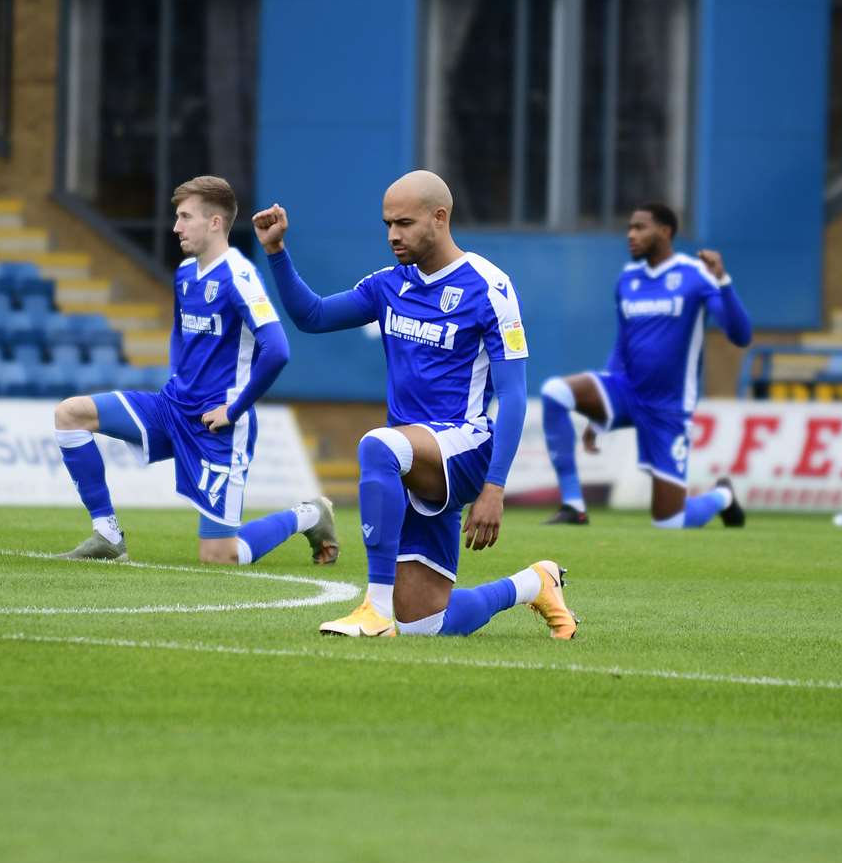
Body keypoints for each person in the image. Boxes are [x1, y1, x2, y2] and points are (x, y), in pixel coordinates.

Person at [254, 170, 577, 639]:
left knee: (377, 446)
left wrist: (495, 488)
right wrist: (275, 252)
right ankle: (534, 583)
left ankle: (374, 608)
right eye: (387, 224)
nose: (392, 235)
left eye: (403, 223)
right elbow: (313, 316)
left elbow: (511, 394)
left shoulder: (490, 287)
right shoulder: (390, 284)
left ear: (439, 218)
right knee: (426, 621)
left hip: (464, 447)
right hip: (412, 460)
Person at [54, 175, 337, 566]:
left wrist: (233, 411)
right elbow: (179, 331)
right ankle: (107, 535)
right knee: (70, 414)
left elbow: (278, 350)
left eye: (185, 217)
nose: (176, 227)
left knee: (219, 556)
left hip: (215, 424)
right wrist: (177, 377)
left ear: (215, 223)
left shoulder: (239, 278)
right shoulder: (187, 273)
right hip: (172, 408)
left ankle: (309, 514)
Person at [539, 202, 753, 530]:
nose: (631, 235)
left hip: (668, 406)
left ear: (665, 232)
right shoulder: (628, 279)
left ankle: (721, 496)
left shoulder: (695, 275)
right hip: (625, 390)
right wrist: (598, 418)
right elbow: (622, 346)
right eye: (629, 228)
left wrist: (722, 280)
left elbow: (740, 335)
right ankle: (574, 506)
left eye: (640, 227)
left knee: (670, 522)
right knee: (555, 392)